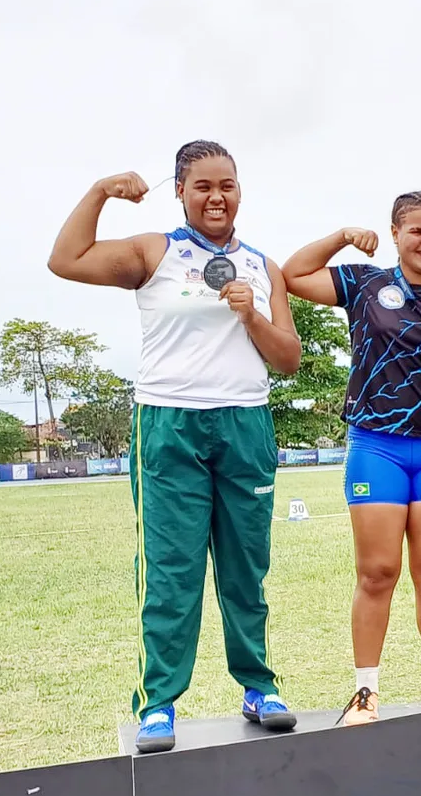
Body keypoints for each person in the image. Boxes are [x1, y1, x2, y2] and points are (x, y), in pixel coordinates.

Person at [48, 141, 302, 753]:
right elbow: (65, 259)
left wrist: (253, 317)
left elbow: (288, 360)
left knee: (247, 566)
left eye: (228, 185)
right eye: (203, 186)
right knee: (172, 570)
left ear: (240, 191)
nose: (217, 197)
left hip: (244, 421)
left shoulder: (264, 268)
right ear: (182, 191)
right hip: (169, 422)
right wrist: (102, 191)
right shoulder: (154, 252)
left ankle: (258, 686)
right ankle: (158, 702)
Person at [282, 191, 421, 726]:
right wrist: (342, 237)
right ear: (396, 234)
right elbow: (292, 274)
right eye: (417, 231)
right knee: (377, 572)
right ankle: (364, 694)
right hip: (376, 445)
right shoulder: (364, 283)